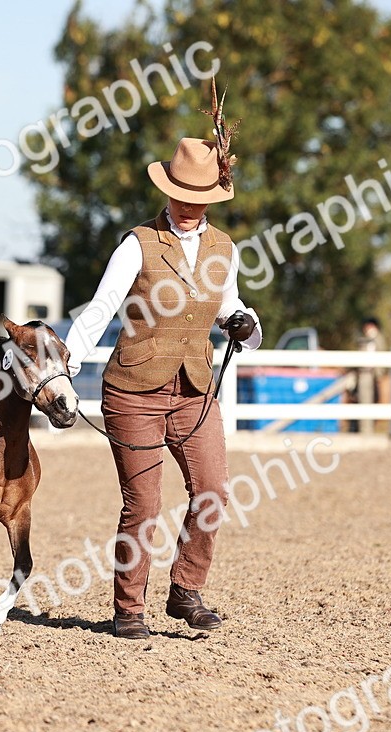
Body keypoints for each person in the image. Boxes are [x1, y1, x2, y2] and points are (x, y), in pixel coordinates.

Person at [64, 137, 263, 639]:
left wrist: (243, 324)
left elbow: (229, 303)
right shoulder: (138, 243)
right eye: (181, 193)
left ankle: (185, 590)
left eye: (199, 196)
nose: (188, 206)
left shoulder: (224, 248)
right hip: (134, 391)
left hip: (195, 390)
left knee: (214, 491)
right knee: (144, 504)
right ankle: (129, 608)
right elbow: (101, 307)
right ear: (167, 189)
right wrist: (64, 369)